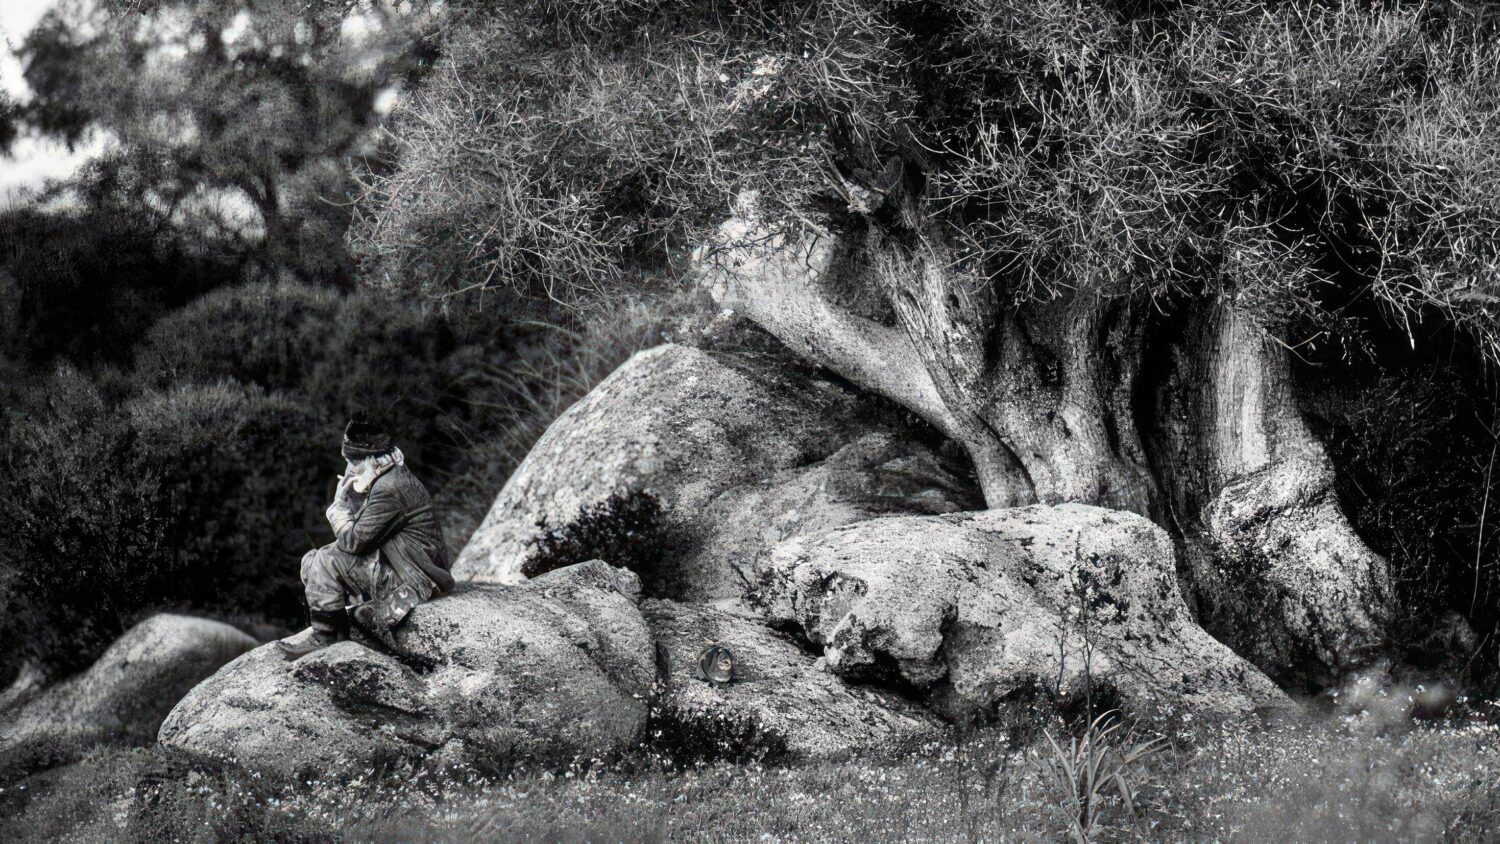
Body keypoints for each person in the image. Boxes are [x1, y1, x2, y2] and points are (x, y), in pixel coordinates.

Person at [278, 417, 455, 659]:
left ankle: (328, 636)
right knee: (312, 560)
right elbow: (366, 533)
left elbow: (354, 542)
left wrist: (338, 508)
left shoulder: (389, 488)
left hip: (417, 579)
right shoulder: (390, 474)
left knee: (324, 561)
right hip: (410, 565)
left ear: (372, 460)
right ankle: (332, 627)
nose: (349, 470)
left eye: (354, 462)